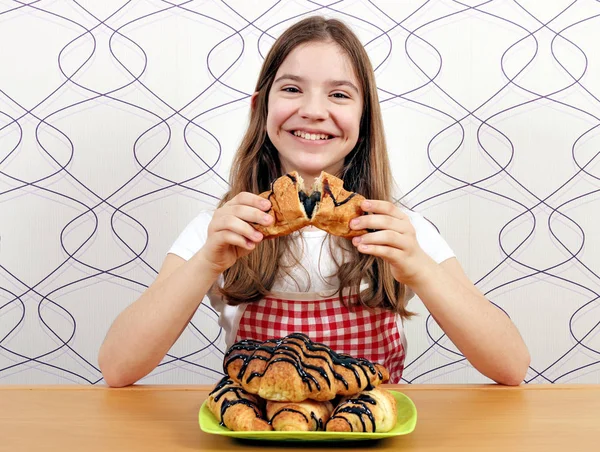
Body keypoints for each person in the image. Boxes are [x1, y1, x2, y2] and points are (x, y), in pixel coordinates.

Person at [98, 16, 530, 388]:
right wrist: (207, 261)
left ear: (364, 118)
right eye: (291, 89)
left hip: (366, 434)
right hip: (259, 433)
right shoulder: (218, 229)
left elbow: (510, 365)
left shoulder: (399, 229)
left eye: (339, 94)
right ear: (260, 107)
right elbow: (117, 367)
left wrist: (418, 266)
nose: (313, 110)